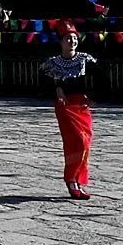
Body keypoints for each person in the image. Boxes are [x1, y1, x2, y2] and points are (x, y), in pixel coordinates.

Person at [40, 20, 98, 200]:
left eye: (74, 38)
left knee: (86, 143)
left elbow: (103, 79)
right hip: (65, 106)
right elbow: (41, 83)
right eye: (68, 39)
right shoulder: (52, 63)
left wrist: (93, 97)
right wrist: (56, 89)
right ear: (61, 42)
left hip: (81, 105)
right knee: (76, 141)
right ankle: (71, 179)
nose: (71, 41)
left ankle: (77, 180)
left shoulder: (85, 60)